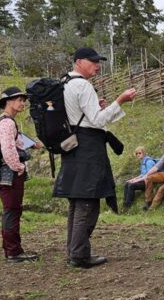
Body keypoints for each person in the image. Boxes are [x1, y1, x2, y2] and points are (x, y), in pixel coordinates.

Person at [53, 46, 137, 269]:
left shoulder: (65, 83)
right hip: (88, 149)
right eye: (93, 61)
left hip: (73, 145)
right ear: (79, 61)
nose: (97, 66)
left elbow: (83, 115)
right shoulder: (83, 85)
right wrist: (119, 101)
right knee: (88, 202)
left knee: (76, 201)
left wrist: (98, 108)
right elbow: (99, 121)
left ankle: (73, 251)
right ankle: (79, 255)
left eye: (98, 61)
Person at [0, 86, 42, 262]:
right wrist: (18, 167)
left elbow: (16, 142)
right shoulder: (7, 123)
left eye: (23, 100)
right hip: (9, 173)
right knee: (12, 210)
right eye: (19, 100)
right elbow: (8, 148)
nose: (22, 103)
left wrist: (33, 145)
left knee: (11, 210)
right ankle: (13, 251)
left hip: (6, 173)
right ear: (8, 102)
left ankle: (12, 249)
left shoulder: (5, 121)